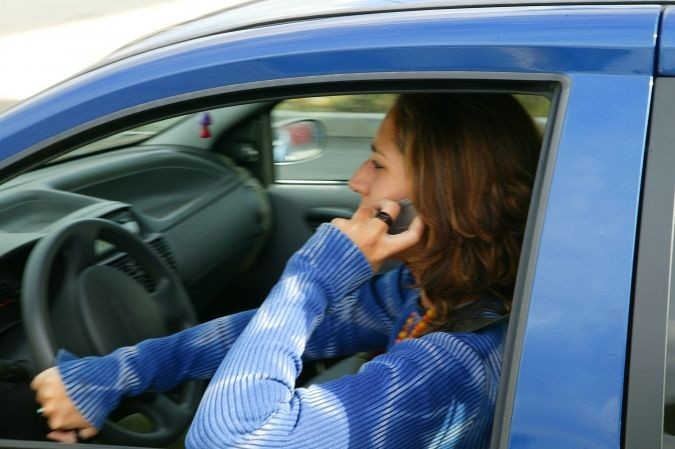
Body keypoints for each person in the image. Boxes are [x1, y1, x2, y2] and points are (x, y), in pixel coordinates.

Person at [31, 93, 541, 448]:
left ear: (442, 194)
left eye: (379, 164)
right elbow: (254, 332)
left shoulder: (460, 360)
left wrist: (314, 276)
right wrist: (118, 372)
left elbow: (233, 440)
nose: (356, 179)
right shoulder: (426, 292)